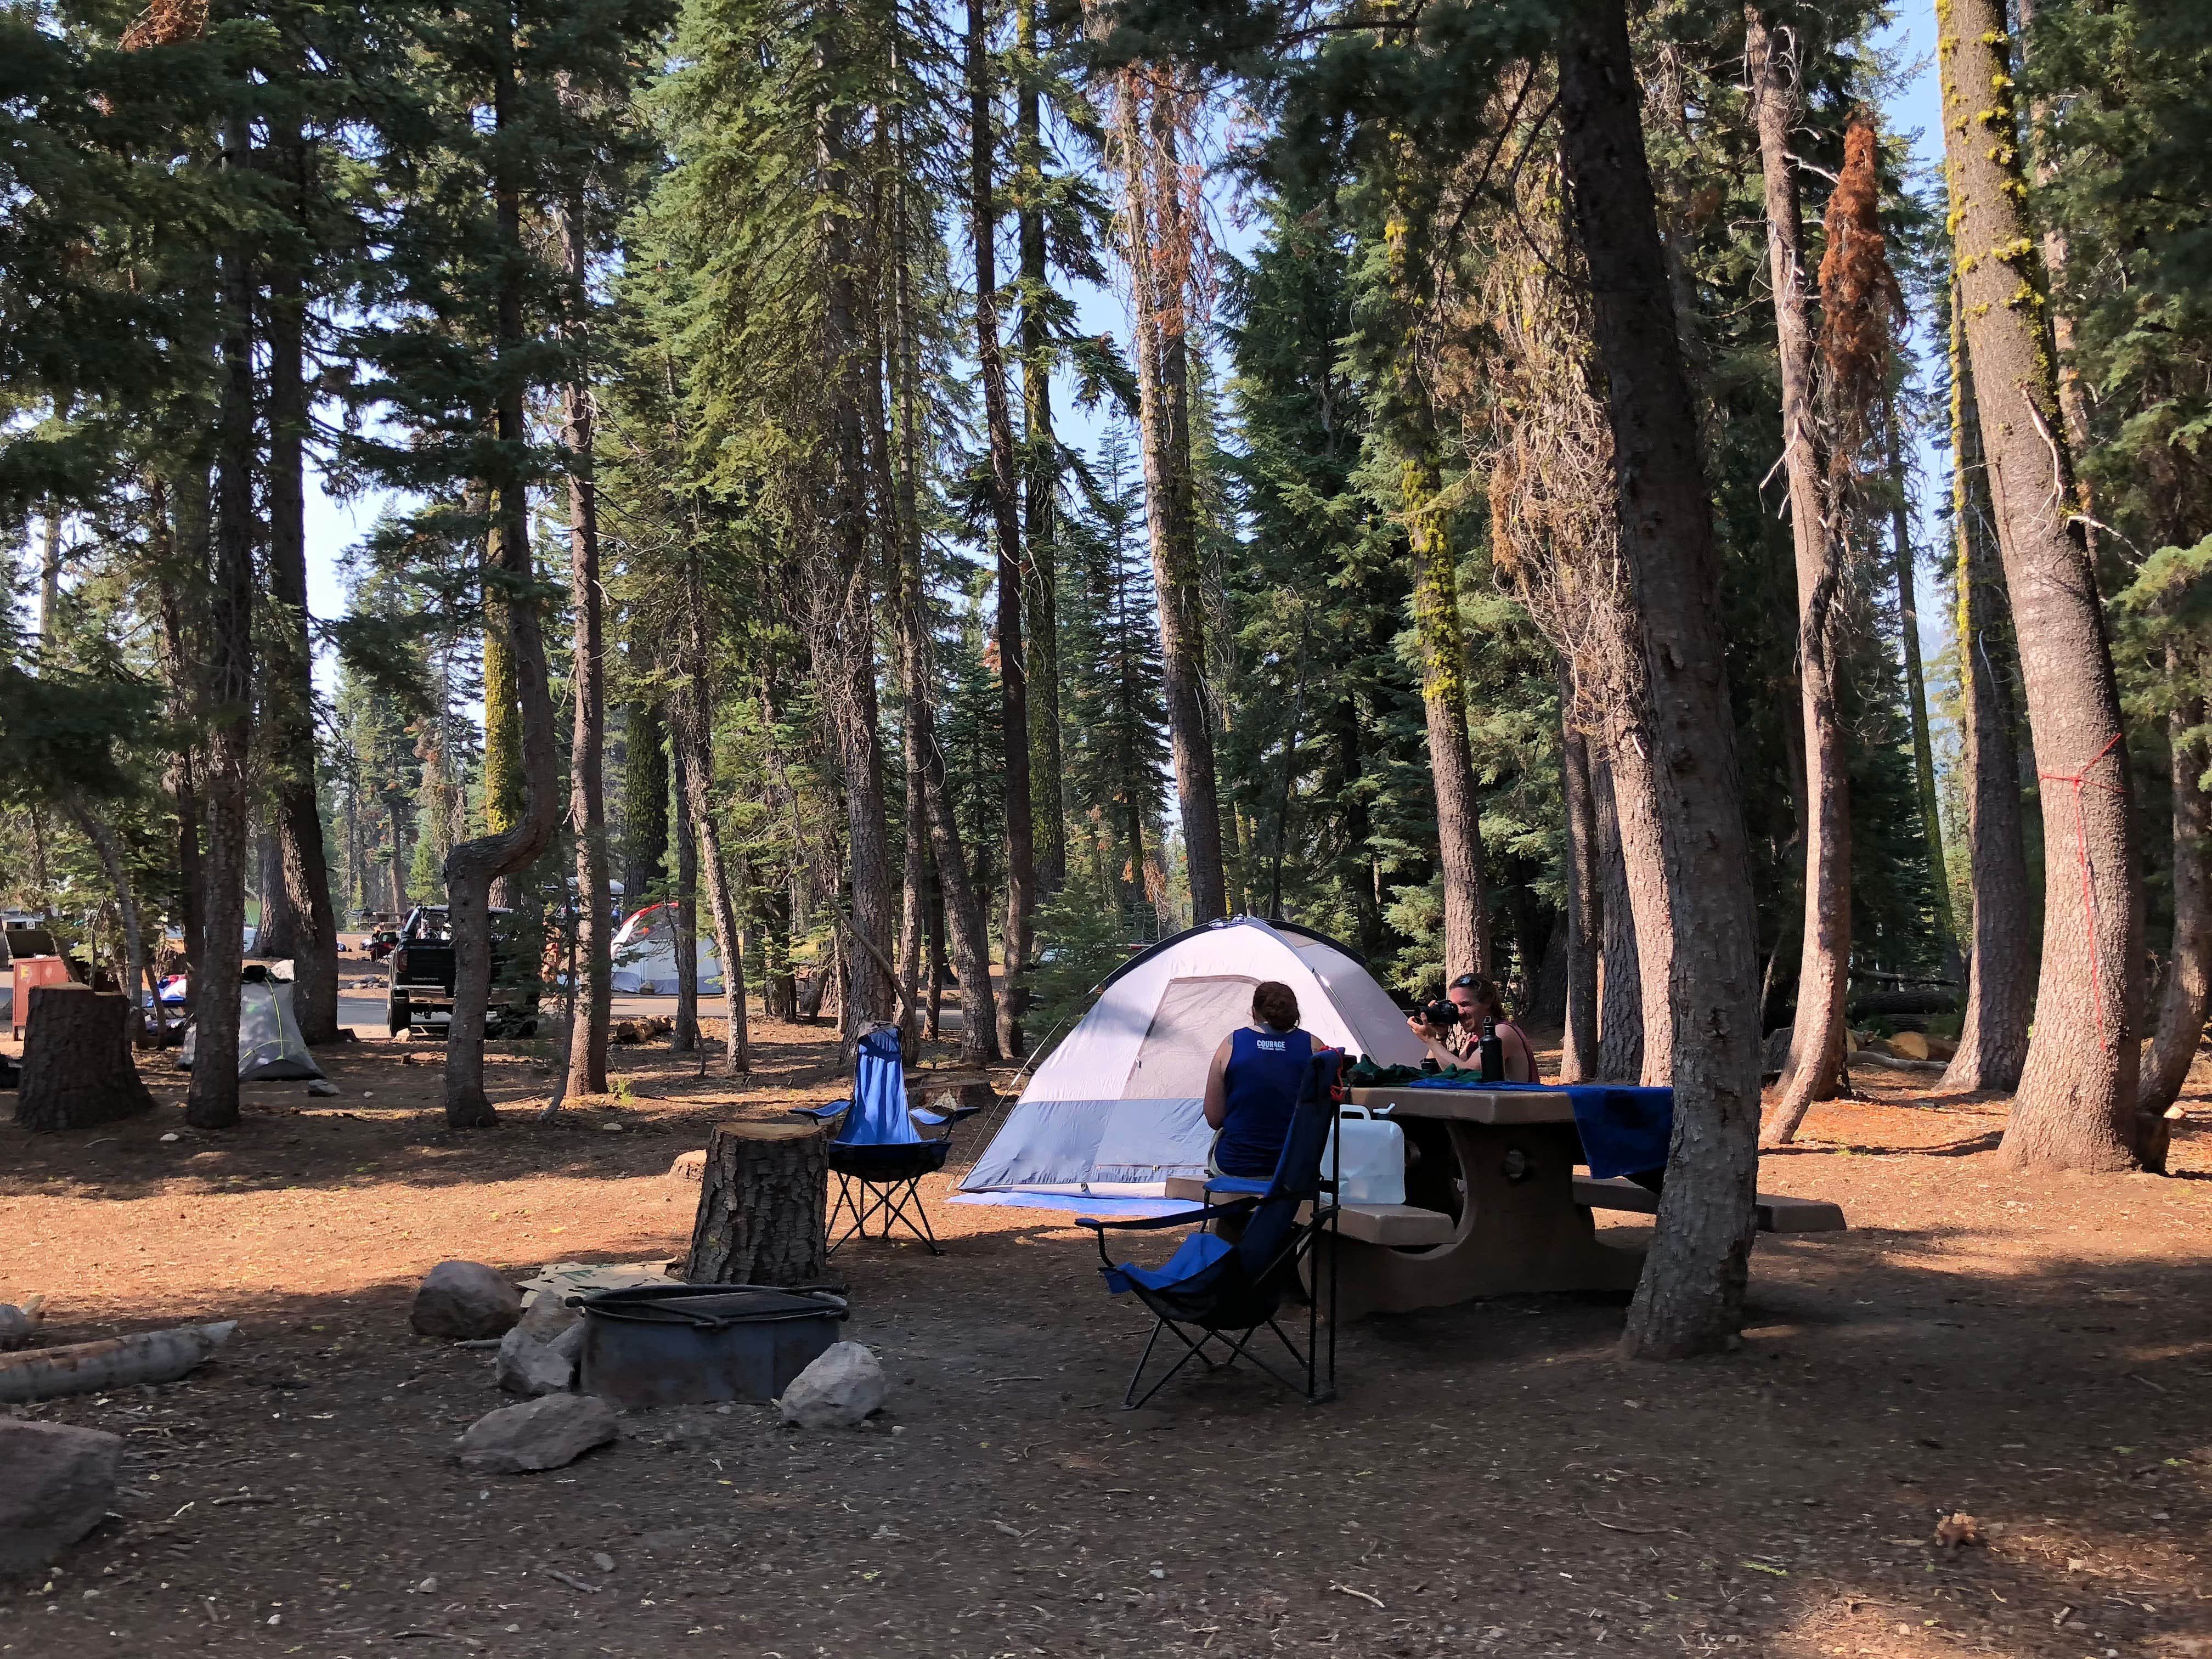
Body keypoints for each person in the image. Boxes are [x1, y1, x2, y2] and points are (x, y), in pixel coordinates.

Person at [1201, 981, 1315, 1178]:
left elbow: (1214, 1118)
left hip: (1235, 1165)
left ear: (1254, 1012)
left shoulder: (1230, 1044)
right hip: (1294, 1167)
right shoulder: (1315, 1047)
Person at [1407, 972, 1538, 1081]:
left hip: (1514, 1112)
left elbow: (1467, 1075)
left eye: (1465, 1004)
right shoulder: (1475, 1040)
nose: (1459, 1012)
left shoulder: (1502, 1032)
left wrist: (1430, 1040)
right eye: (1454, 1006)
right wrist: (1440, 1036)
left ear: (1487, 1001)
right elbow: (1443, 1074)